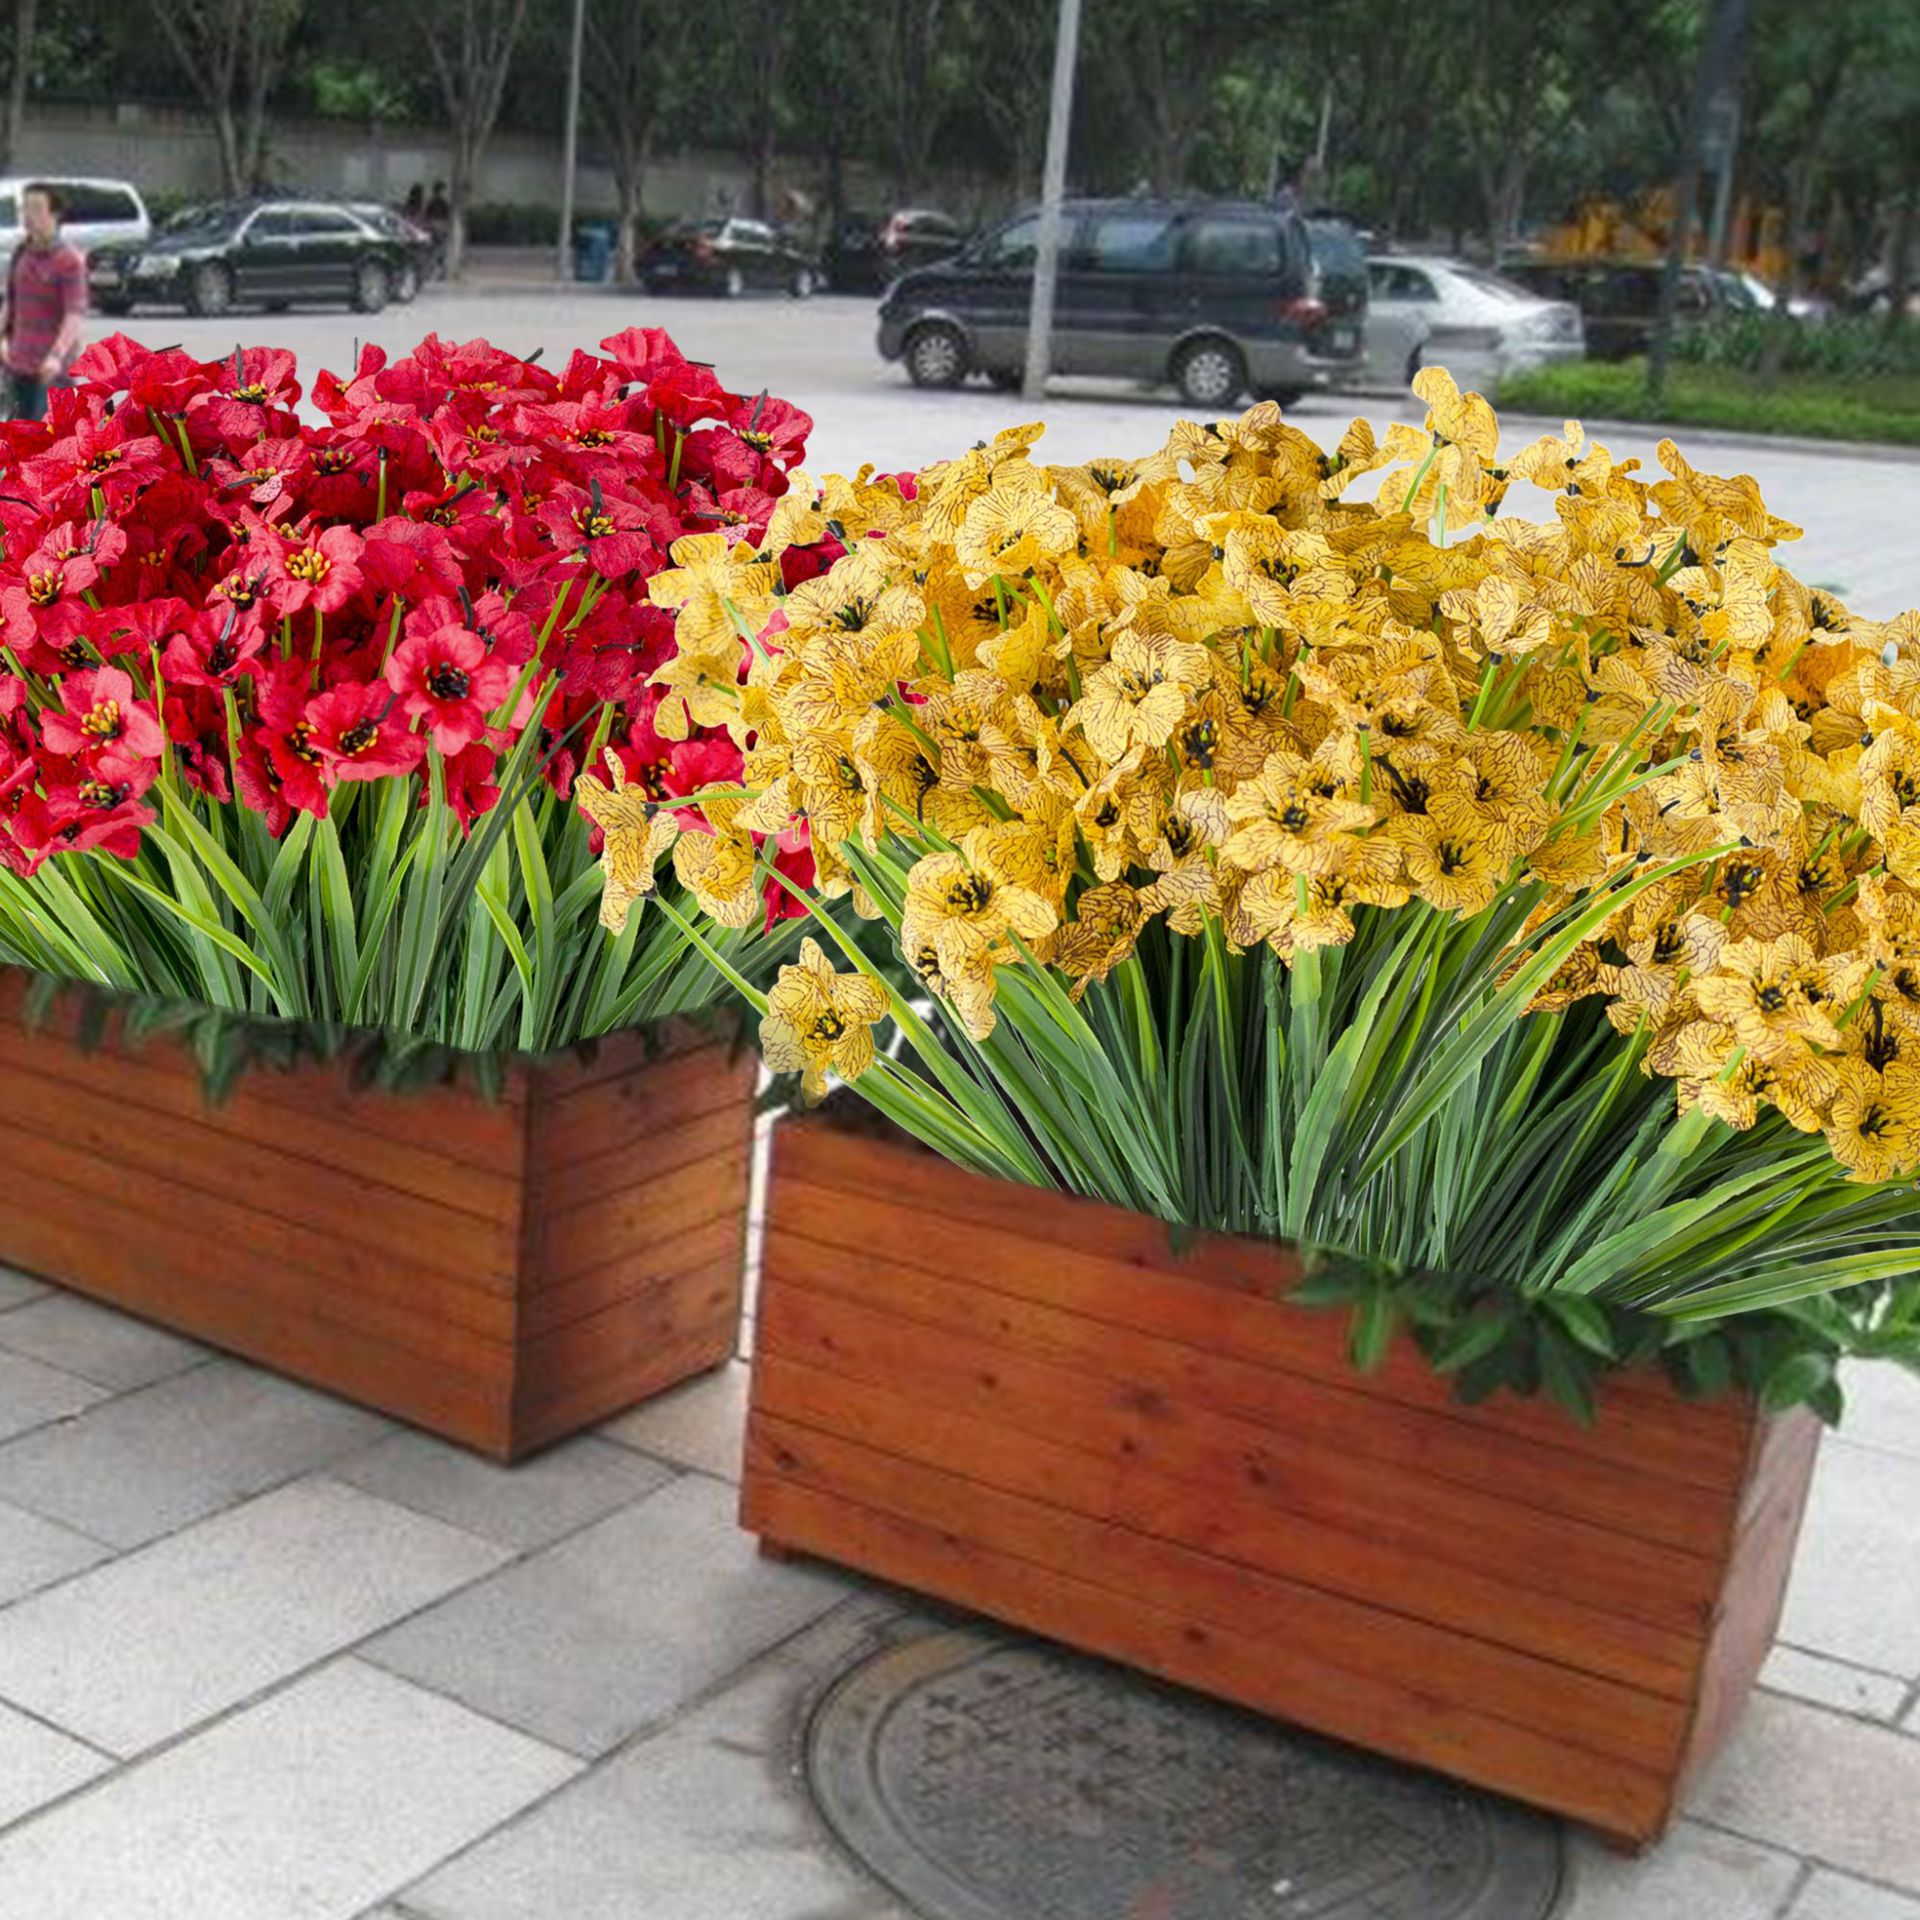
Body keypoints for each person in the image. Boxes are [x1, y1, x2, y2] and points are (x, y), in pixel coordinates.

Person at [2, 184, 85, 423]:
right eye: (25, 209)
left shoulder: (69, 260)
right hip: (18, 365)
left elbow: (74, 315)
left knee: (46, 436)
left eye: (37, 209)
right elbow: (11, 302)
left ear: (55, 215)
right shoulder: (21, 253)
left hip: (52, 370)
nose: (28, 216)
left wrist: (57, 356)